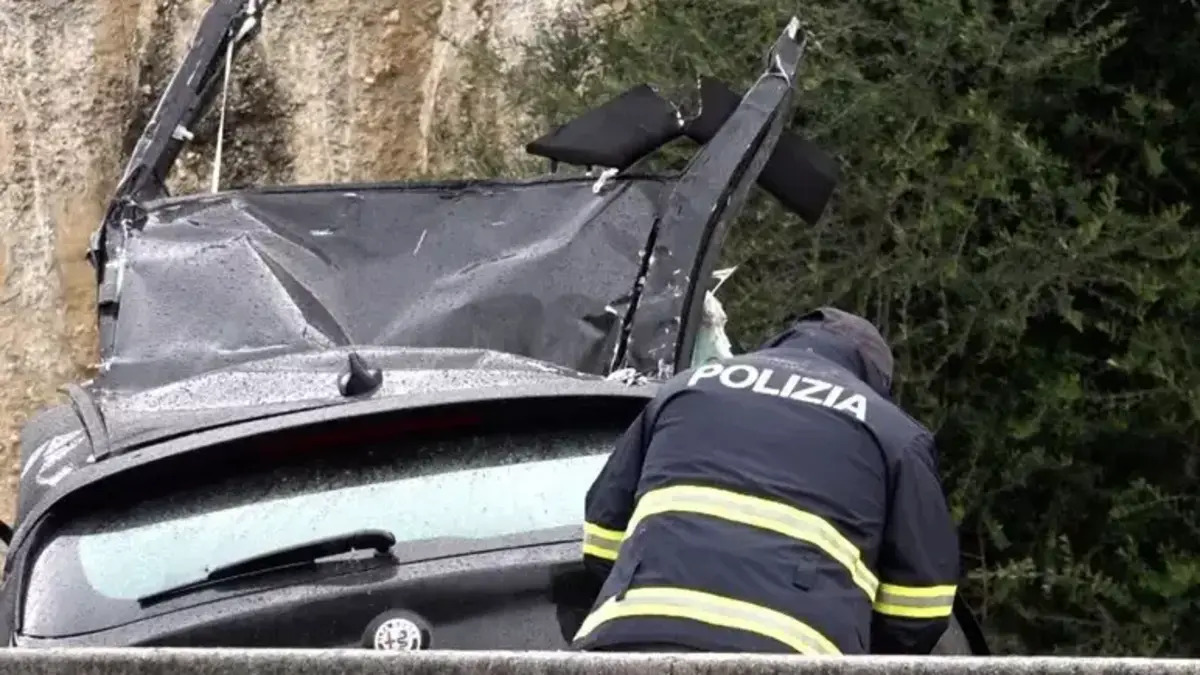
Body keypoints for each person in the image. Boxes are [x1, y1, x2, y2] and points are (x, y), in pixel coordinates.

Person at [572, 307, 960, 655]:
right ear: (873, 377)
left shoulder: (686, 386)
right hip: (789, 655)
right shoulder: (892, 432)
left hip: (629, 641)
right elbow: (918, 607)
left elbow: (603, 533)